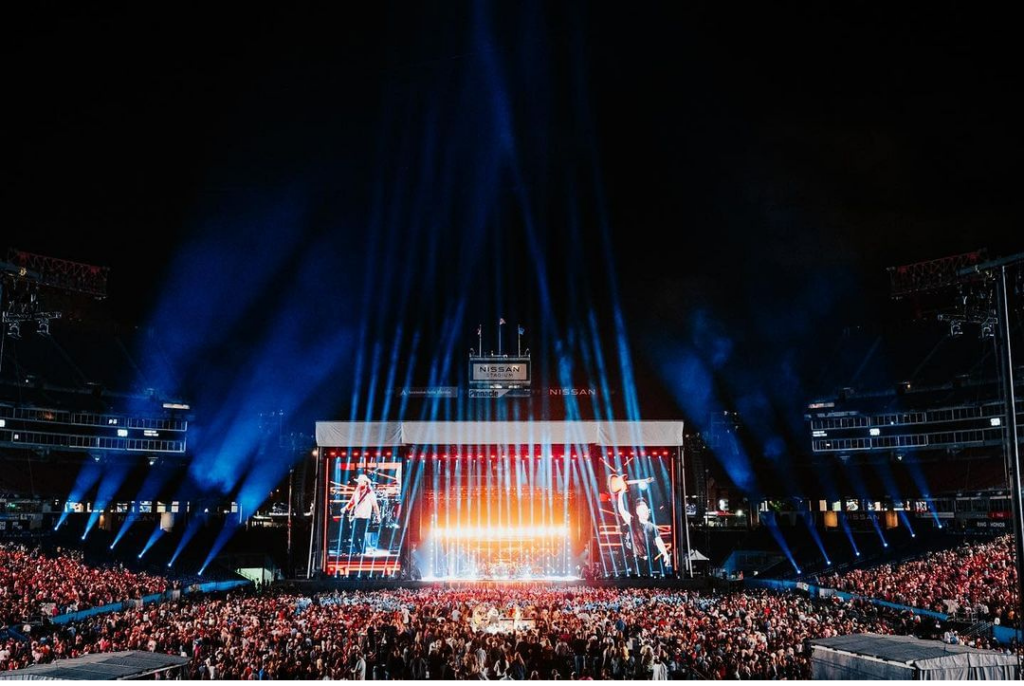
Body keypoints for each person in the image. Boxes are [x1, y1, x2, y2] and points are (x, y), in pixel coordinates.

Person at [343, 475, 381, 555]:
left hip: (365, 517)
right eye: (359, 482)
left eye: (361, 481)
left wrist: (378, 516)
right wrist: (345, 508)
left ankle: (362, 552)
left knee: (361, 534)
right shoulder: (356, 492)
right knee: (353, 535)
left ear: (365, 483)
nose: (359, 483)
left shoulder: (370, 493)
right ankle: (360, 550)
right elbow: (352, 502)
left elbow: (375, 505)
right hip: (357, 516)